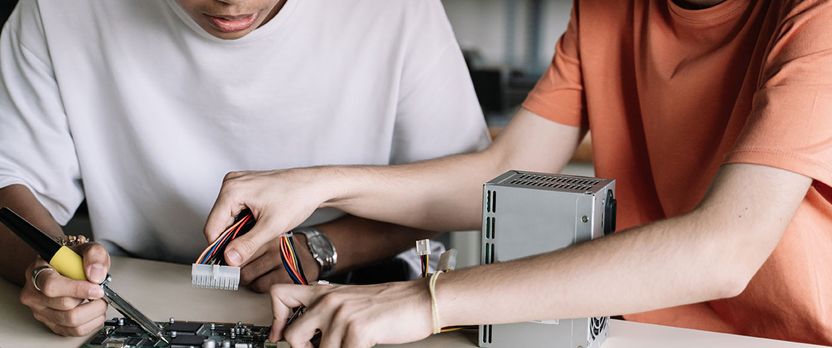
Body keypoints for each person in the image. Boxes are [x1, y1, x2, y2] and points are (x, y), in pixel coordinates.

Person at [205, 0, 832, 346]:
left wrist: (429, 301)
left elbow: (721, 251)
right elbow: (506, 171)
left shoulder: (816, 18)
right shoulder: (606, 10)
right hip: (634, 331)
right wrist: (317, 184)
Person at [0, 0, 489, 337]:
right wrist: (49, 268)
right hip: (133, 293)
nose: (231, 4)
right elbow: (8, 179)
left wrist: (325, 244)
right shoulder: (57, 11)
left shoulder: (395, 11)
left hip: (363, 290)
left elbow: (461, 190)